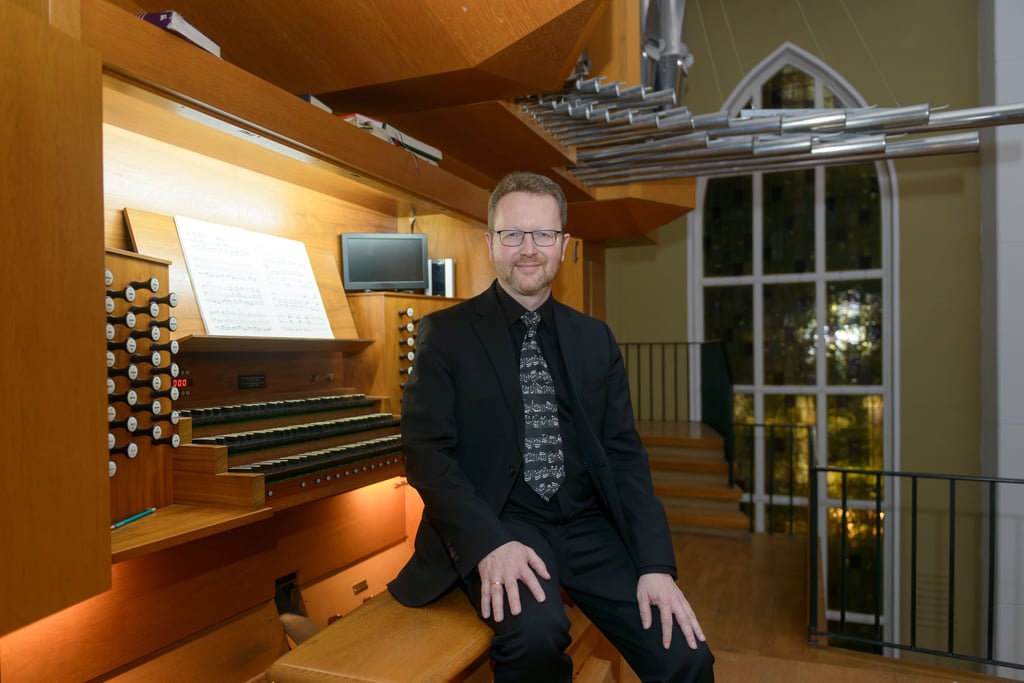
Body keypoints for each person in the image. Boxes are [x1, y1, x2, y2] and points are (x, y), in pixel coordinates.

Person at [388, 171, 715, 682]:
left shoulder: (596, 339)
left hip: (588, 525)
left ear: (563, 245)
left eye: (542, 234)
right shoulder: (446, 334)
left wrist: (656, 566)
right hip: (502, 522)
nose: (527, 249)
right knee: (536, 637)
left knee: (685, 654)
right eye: (512, 234)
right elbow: (427, 453)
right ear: (490, 243)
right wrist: (488, 543)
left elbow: (626, 457)